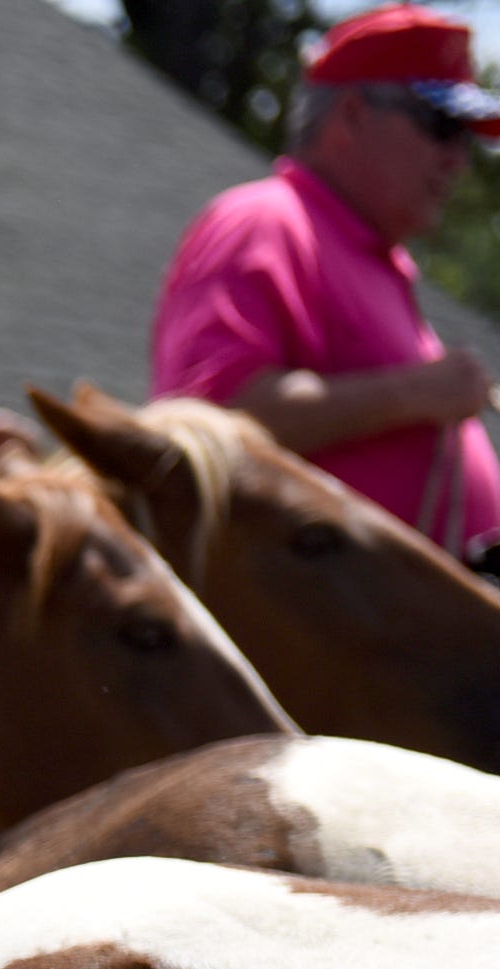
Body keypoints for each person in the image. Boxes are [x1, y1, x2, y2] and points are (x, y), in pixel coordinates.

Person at [151, 4, 500, 556]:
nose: (458, 160)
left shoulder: (374, 258)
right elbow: (202, 430)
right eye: (442, 127)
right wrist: (420, 392)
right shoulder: (263, 221)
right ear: (353, 116)